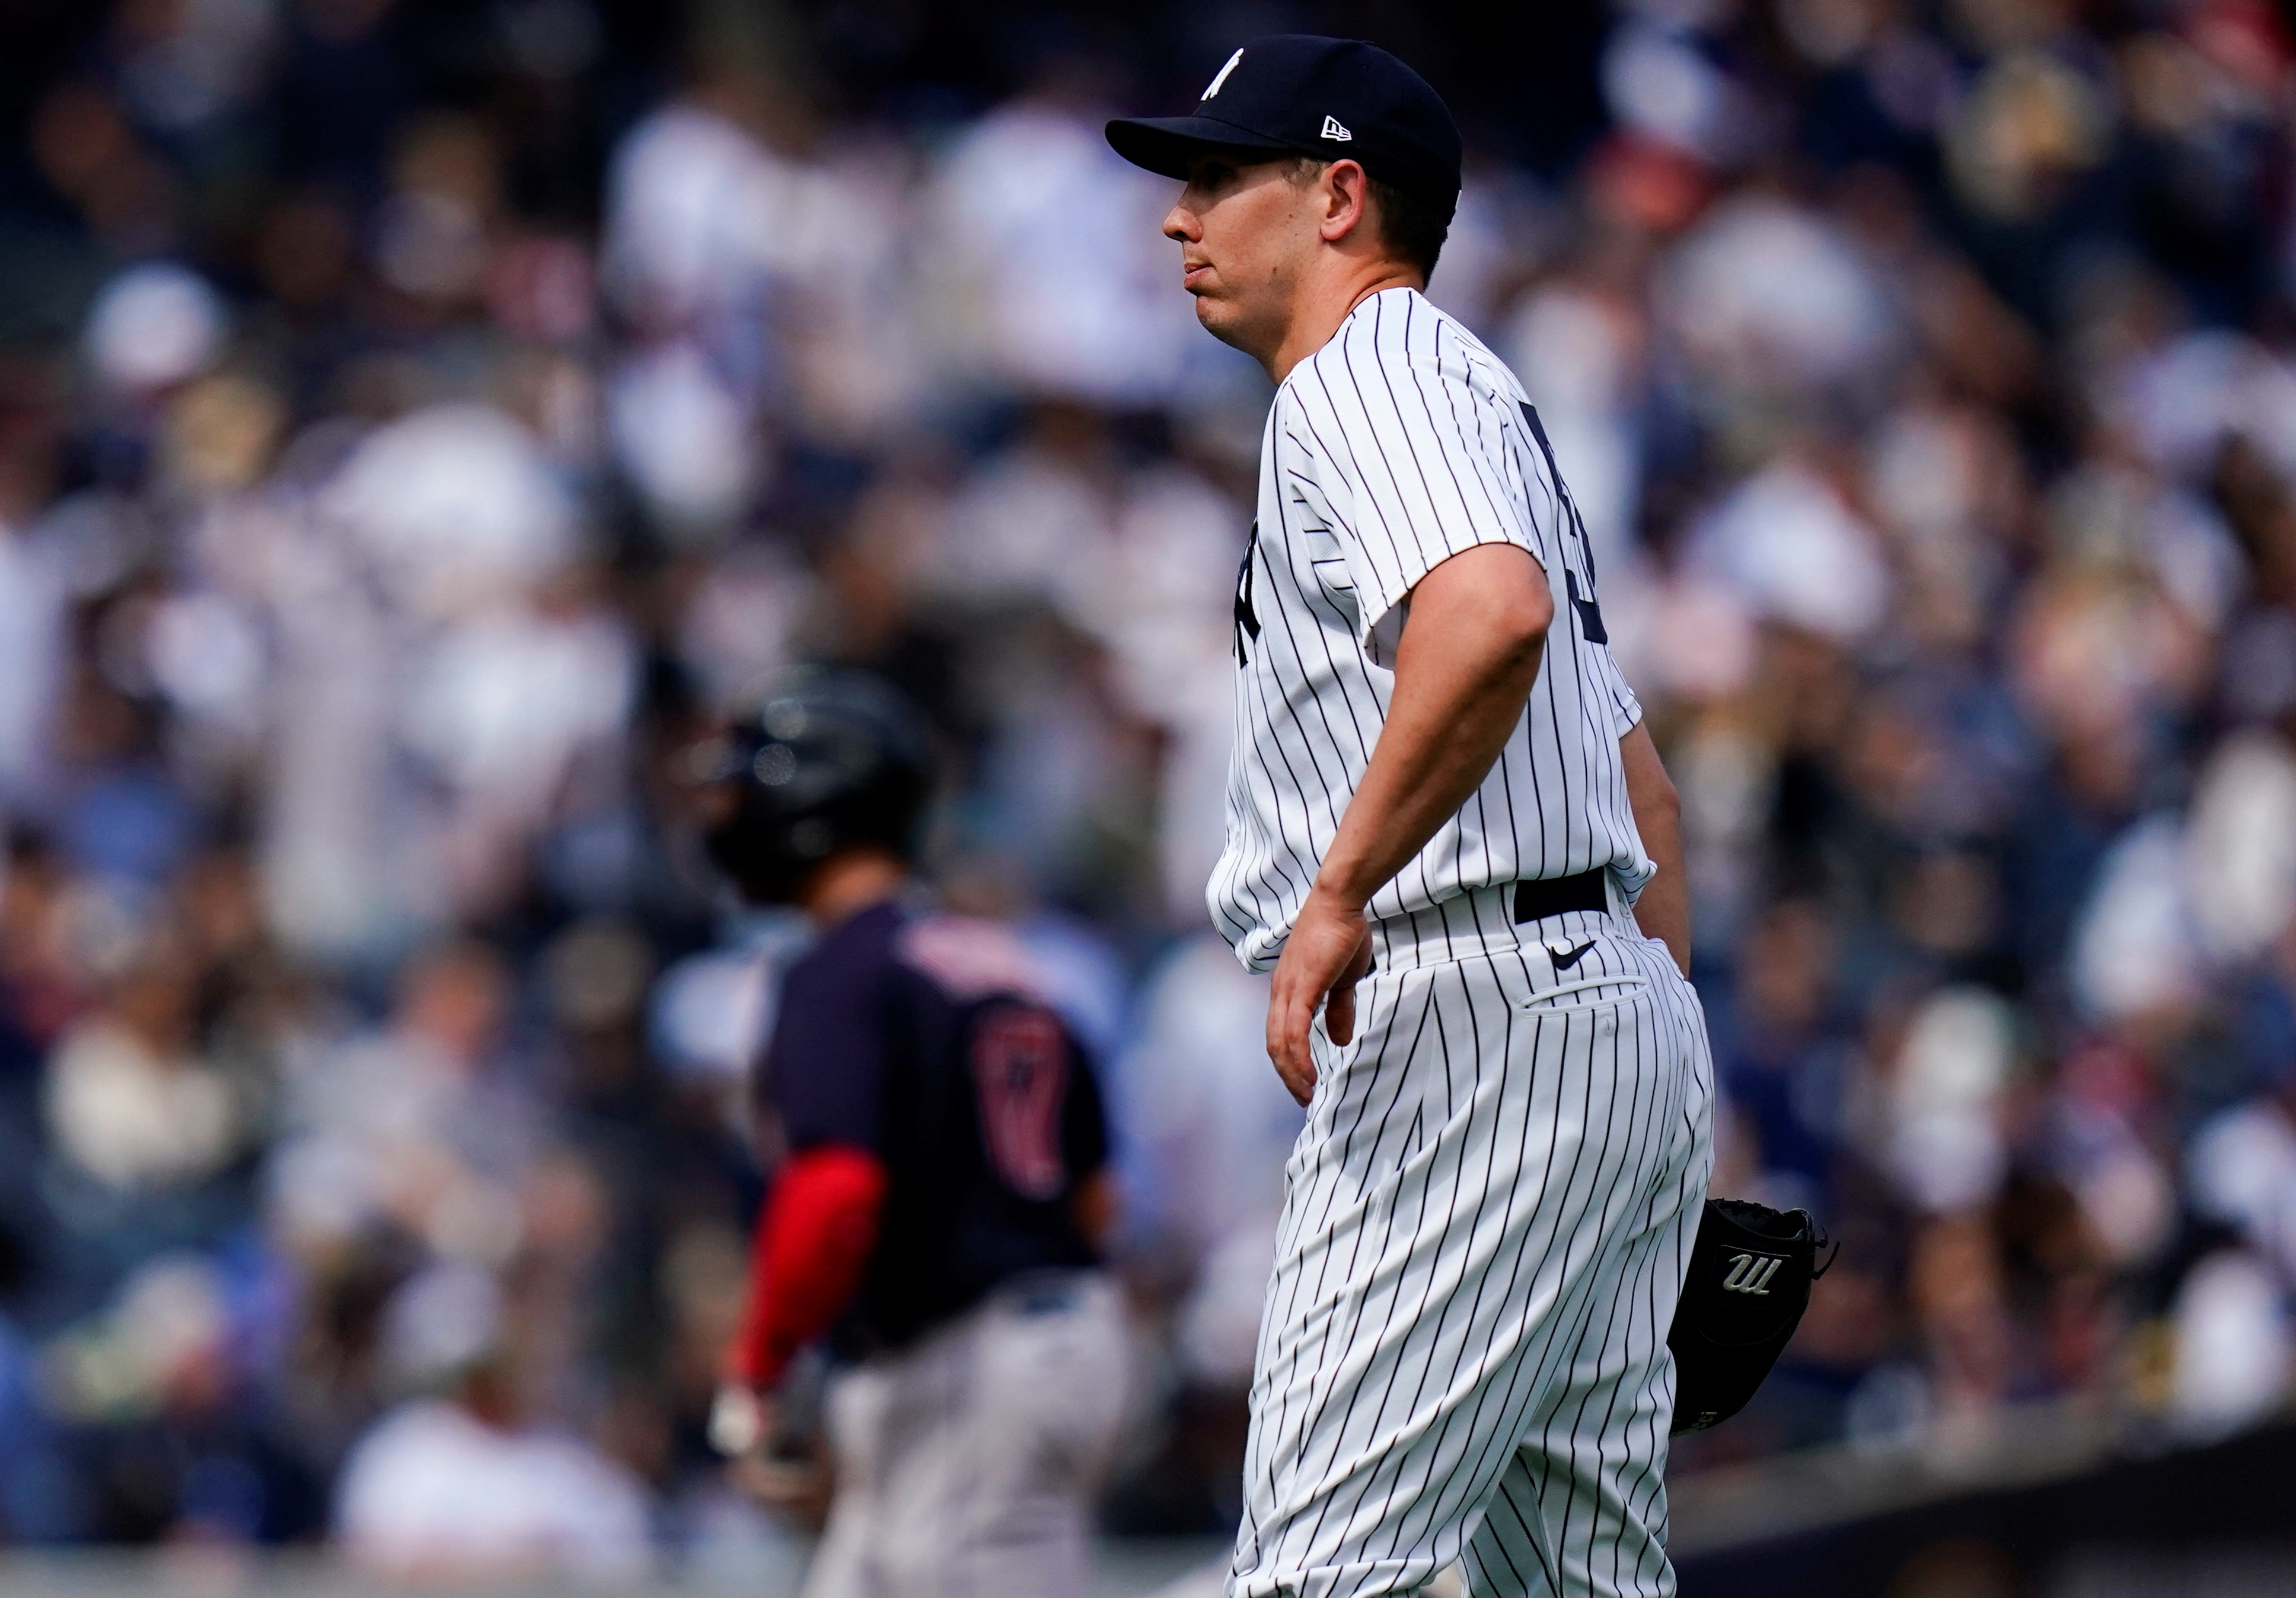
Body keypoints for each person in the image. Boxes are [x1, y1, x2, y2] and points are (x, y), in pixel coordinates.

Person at [1108, 36, 1714, 1598]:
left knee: (1322, 1577)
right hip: (1595, 1009)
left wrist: (1341, 889)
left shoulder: (1363, 375)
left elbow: (1494, 615)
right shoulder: (1479, 402)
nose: (1181, 218)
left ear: (1338, 196)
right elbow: (1639, 785)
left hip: (1469, 1013)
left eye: (1221, 176)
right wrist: (1636, 1077)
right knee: (1581, 1586)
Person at [693, 666, 1125, 1598]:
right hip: (1026, 1338)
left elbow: (835, 1192)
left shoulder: (843, 969)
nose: (729, 810)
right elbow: (1096, 1198)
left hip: (969, 1362)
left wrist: (762, 1364)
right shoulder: (1002, 962)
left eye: (751, 785)